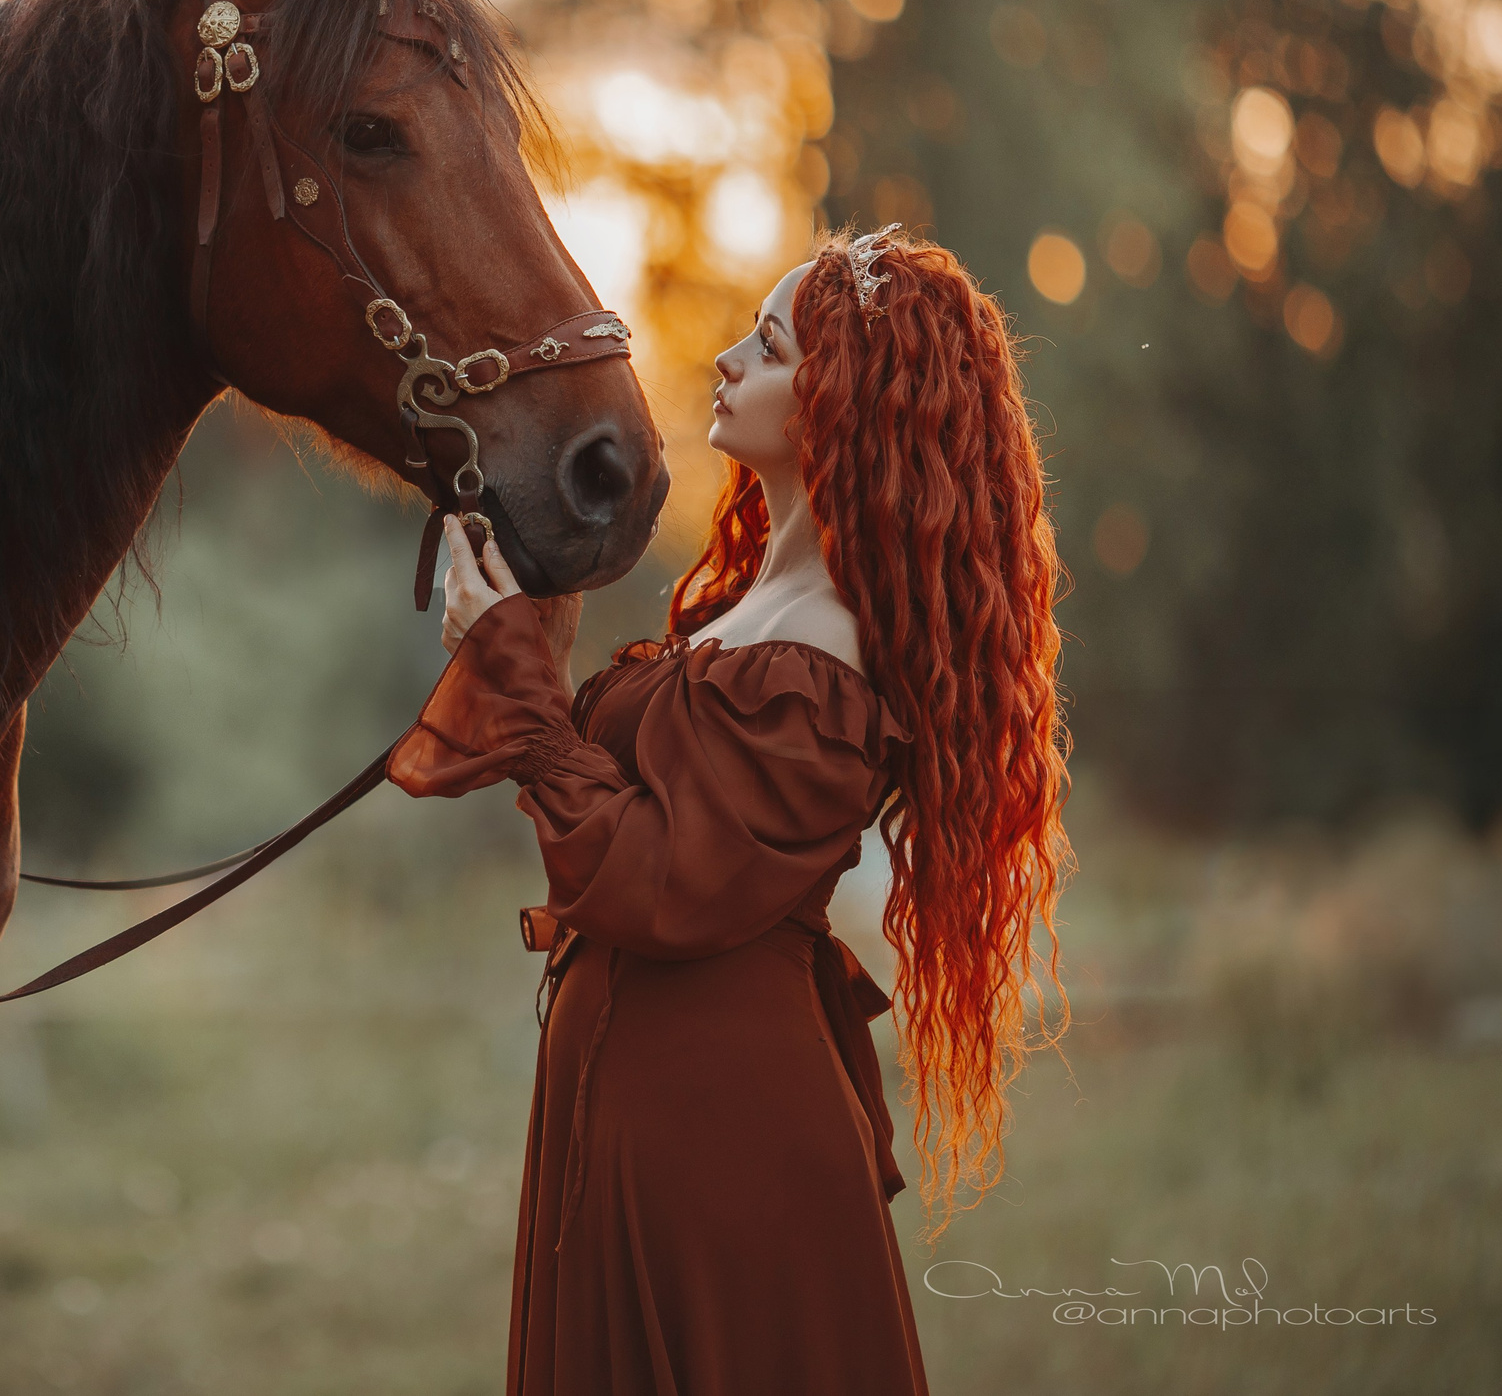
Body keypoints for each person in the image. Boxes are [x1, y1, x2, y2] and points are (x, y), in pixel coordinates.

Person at [389, 223, 1074, 1396]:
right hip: (647, 1105)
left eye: (766, 346)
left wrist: (512, 670)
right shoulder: (757, 608)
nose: (725, 359)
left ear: (837, 399)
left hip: (719, 1132)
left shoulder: (825, 650)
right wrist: (518, 633)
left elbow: (655, 880)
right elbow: (626, 801)